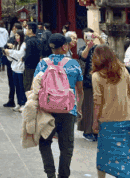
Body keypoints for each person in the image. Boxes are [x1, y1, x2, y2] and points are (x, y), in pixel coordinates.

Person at [32, 33, 84, 178]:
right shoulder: (74, 64)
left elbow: (35, 88)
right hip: (68, 109)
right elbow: (80, 90)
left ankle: (50, 173)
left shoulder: (42, 63)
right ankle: (64, 175)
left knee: (45, 142)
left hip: (46, 109)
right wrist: (78, 108)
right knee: (66, 146)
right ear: (64, 46)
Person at [91, 44, 130, 178]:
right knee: (125, 155)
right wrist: (129, 110)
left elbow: (97, 102)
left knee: (104, 156)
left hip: (107, 121)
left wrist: (95, 122)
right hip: (125, 120)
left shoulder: (96, 76)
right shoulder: (123, 71)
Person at [78, 29, 100, 142]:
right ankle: (87, 131)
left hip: (99, 82)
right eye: (86, 36)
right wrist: (88, 46)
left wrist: (99, 38)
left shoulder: (98, 48)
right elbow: (83, 56)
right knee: (88, 108)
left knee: (98, 108)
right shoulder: (82, 48)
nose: (89, 38)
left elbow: (108, 52)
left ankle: (96, 130)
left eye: (91, 36)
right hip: (87, 82)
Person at [4, 30, 28, 111]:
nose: (17, 37)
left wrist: (10, 52)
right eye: (16, 36)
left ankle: (23, 103)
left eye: (18, 35)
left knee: (21, 87)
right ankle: (19, 103)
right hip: (14, 68)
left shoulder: (24, 45)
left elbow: (19, 54)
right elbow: (12, 57)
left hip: (20, 69)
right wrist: (7, 53)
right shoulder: (16, 45)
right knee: (17, 87)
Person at [23, 22, 43, 93]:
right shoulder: (38, 40)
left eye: (27, 28)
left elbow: (28, 56)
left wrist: (23, 59)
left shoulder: (29, 41)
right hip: (36, 66)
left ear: (31, 30)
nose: (26, 30)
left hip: (29, 67)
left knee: (27, 86)